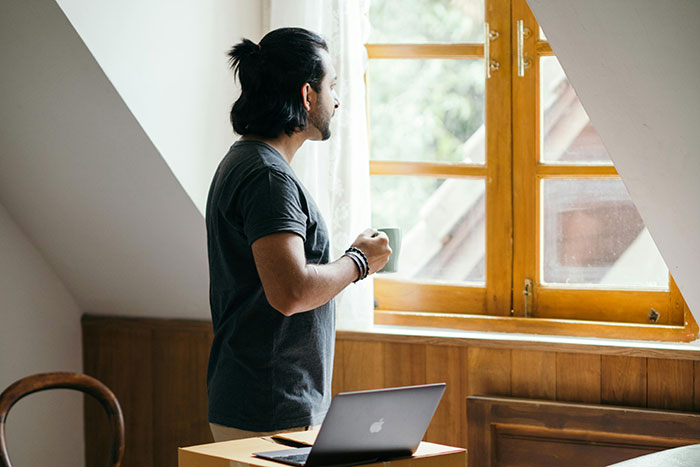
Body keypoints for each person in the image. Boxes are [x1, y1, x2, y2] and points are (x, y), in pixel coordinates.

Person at [205, 27, 392, 442]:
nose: (338, 100)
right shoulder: (269, 177)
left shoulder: (247, 162)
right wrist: (359, 261)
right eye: (333, 86)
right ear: (307, 95)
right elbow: (290, 292)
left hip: (262, 401)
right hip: (271, 406)